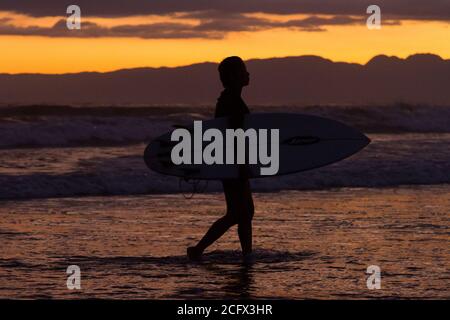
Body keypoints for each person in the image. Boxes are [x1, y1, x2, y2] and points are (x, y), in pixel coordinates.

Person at [187, 56, 255, 261]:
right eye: (244, 70)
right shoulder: (231, 101)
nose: (248, 74)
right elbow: (234, 136)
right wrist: (241, 164)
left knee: (245, 212)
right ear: (235, 77)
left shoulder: (230, 98)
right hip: (232, 162)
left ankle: (247, 255)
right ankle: (198, 250)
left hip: (231, 161)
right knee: (237, 212)